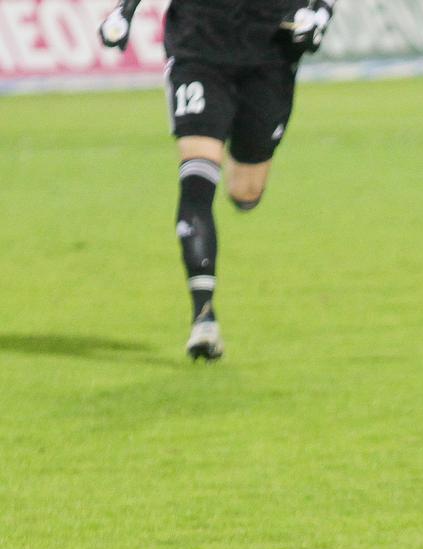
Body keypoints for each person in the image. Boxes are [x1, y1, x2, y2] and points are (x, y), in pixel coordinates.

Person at [98, 0, 338, 360]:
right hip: (199, 45)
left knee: (246, 191)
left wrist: (319, 12)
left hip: (270, 47)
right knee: (196, 180)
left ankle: (224, 139)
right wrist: (124, 10)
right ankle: (203, 318)